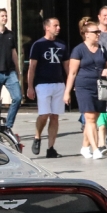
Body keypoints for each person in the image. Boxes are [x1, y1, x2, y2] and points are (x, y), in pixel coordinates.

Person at [64, 18, 107, 159]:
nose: (98, 34)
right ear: (86, 34)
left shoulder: (102, 49)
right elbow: (72, 72)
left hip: (101, 85)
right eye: (95, 32)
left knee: (95, 118)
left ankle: (85, 147)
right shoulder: (79, 50)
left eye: (98, 32)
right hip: (84, 85)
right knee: (89, 118)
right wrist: (67, 92)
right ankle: (96, 149)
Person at [26, 17, 66, 158]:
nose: (58, 27)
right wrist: (30, 86)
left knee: (55, 116)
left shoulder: (62, 45)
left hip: (59, 83)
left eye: (59, 25)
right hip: (42, 84)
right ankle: (37, 136)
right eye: (55, 25)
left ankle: (51, 148)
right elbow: (32, 67)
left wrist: (69, 86)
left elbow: (66, 66)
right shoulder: (38, 45)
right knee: (44, 114)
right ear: (47, 27)